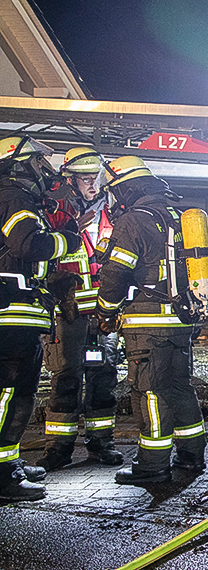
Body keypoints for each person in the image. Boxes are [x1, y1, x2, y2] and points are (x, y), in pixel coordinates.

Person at [94, 156, 206, 485]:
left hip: (148, 324)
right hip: (181, 321)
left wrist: (105, 311)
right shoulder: (175, 216)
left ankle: (152, 464)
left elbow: (116, 274)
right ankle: (191, 455)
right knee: (179, 387)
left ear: (126, 188)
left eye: (115, 192)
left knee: (150, 392)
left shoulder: (133, 220)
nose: (114, 200)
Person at [0, 136, 83, 500]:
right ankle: (2, 478)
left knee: (20, 395)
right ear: (19, 164)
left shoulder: (18, 198)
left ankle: (10, 464)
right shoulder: (13, 197)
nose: (44, 170)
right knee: (9, 396)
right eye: (38, 162)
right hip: (9, 316)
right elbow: (28, 245)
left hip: (19, 316)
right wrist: (67, 240)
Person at [36, 147, 123, 471]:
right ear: (70, 180)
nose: (91, 184)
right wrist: (73, 226)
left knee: (103, 377)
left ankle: (102, 444)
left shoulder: (111, 210)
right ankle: (58, 449)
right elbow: (42, 248)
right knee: (66, 378)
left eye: (94, 177)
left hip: (102, 314)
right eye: (84, 179)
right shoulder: (54, 209)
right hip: (68, 313)